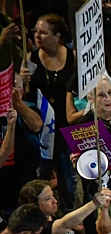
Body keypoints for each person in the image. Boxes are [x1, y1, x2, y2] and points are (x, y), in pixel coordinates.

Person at [23, 14, 76, 210]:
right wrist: (22, 80)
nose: (37, 36)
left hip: (66, 124)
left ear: (57, 36)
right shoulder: (30, 58)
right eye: (36, 31)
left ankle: (68, 208)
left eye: (43, 32)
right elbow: (21, 93)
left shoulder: (73, 57)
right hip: (43, 126)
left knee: (67, 178)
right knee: (43, 172)